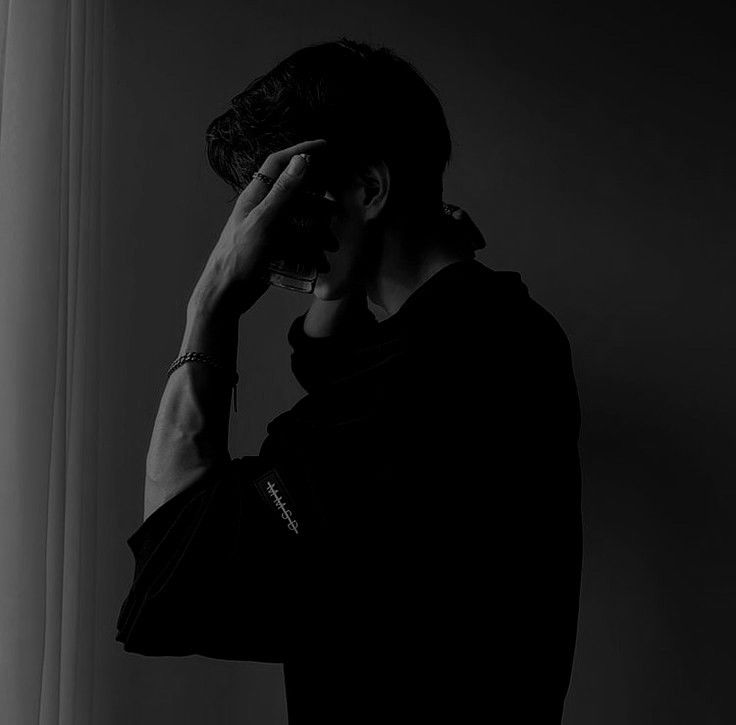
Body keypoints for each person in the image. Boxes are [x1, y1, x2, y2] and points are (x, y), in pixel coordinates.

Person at [116, 38, 583, 724]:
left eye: (289, 201)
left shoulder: (432, 379)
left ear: (368, 187)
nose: (273, 232)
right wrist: (354, 261)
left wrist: (211, 304)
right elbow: (346, 371)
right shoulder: (498, 330)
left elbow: (178, 570)